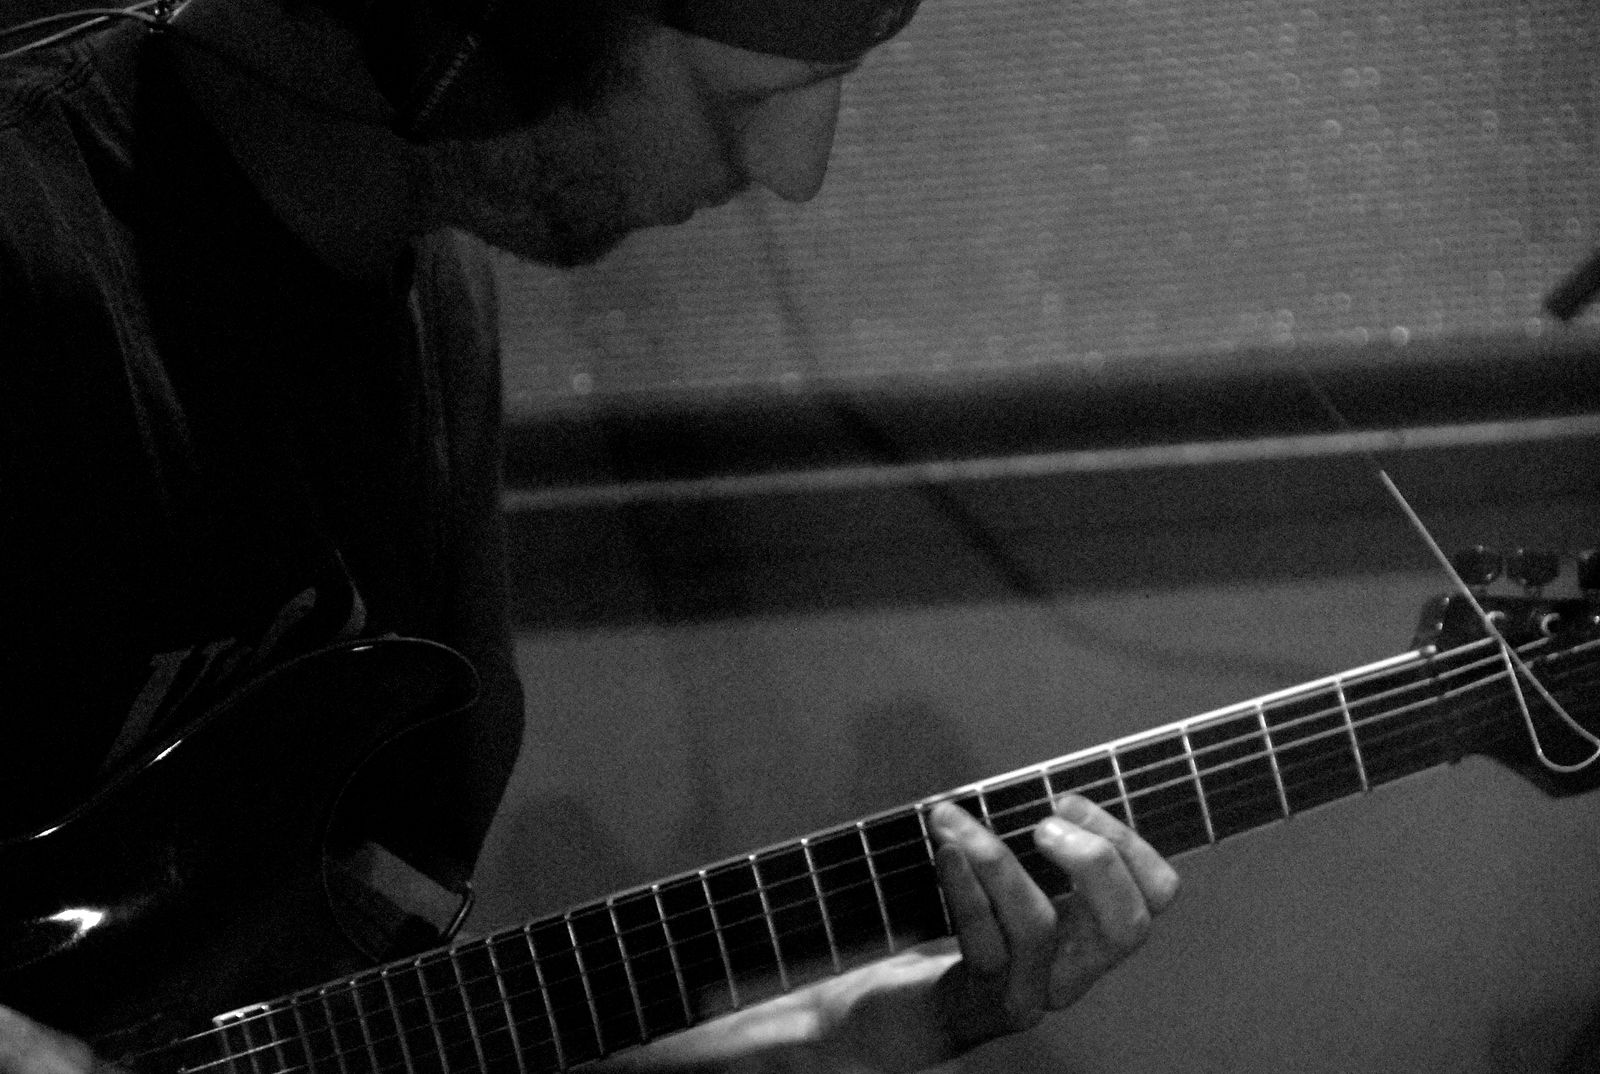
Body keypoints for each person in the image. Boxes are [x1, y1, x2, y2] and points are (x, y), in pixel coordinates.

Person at [0, 0, 1180, 1070]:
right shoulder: (26, 244)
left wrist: (863, 1029)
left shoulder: (439, 311)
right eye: (737, 101)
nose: (794, 172)